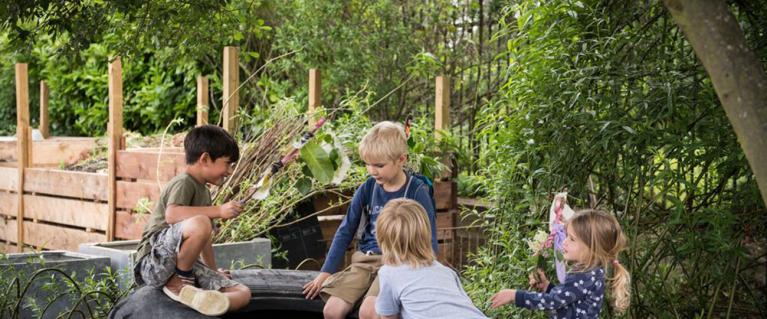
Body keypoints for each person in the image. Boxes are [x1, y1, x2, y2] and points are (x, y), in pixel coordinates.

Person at [303, 121, 439, 319]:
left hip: (398, 262)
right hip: (365, 261)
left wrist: (428, 273)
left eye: (379, 165)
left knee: (370, 311)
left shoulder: (416, 191)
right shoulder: (368, 188)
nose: (372, 171)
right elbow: (345, 230)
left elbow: (430, 236)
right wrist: (326, 271)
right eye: (368, 164)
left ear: (401, 159)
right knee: (331, 310)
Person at [133, 125, 251, 316]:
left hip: (181, 265)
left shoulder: (204, 191)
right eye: (227, 163)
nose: (229, 171)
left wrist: (213, 272)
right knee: (202, 221)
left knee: (243, 293)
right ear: (205, 159)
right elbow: (172, 215)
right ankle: (180, 283)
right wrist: (219, 211)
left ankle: (208, 301)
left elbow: (204, 239)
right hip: (154, 261)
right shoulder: (184, 182)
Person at [490, 210, 631, 318]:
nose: (564, 242)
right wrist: (547, 287)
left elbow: (552, 302)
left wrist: (515, 296)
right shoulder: (591, 272)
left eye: (572, 239)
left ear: (592, 248)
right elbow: (567, 299)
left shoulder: (584, 275)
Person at [374, 199, 488, 319]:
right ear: (426, 234)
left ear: (382, 239)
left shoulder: (389, 273)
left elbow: (388, 316)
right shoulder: (447, 272)